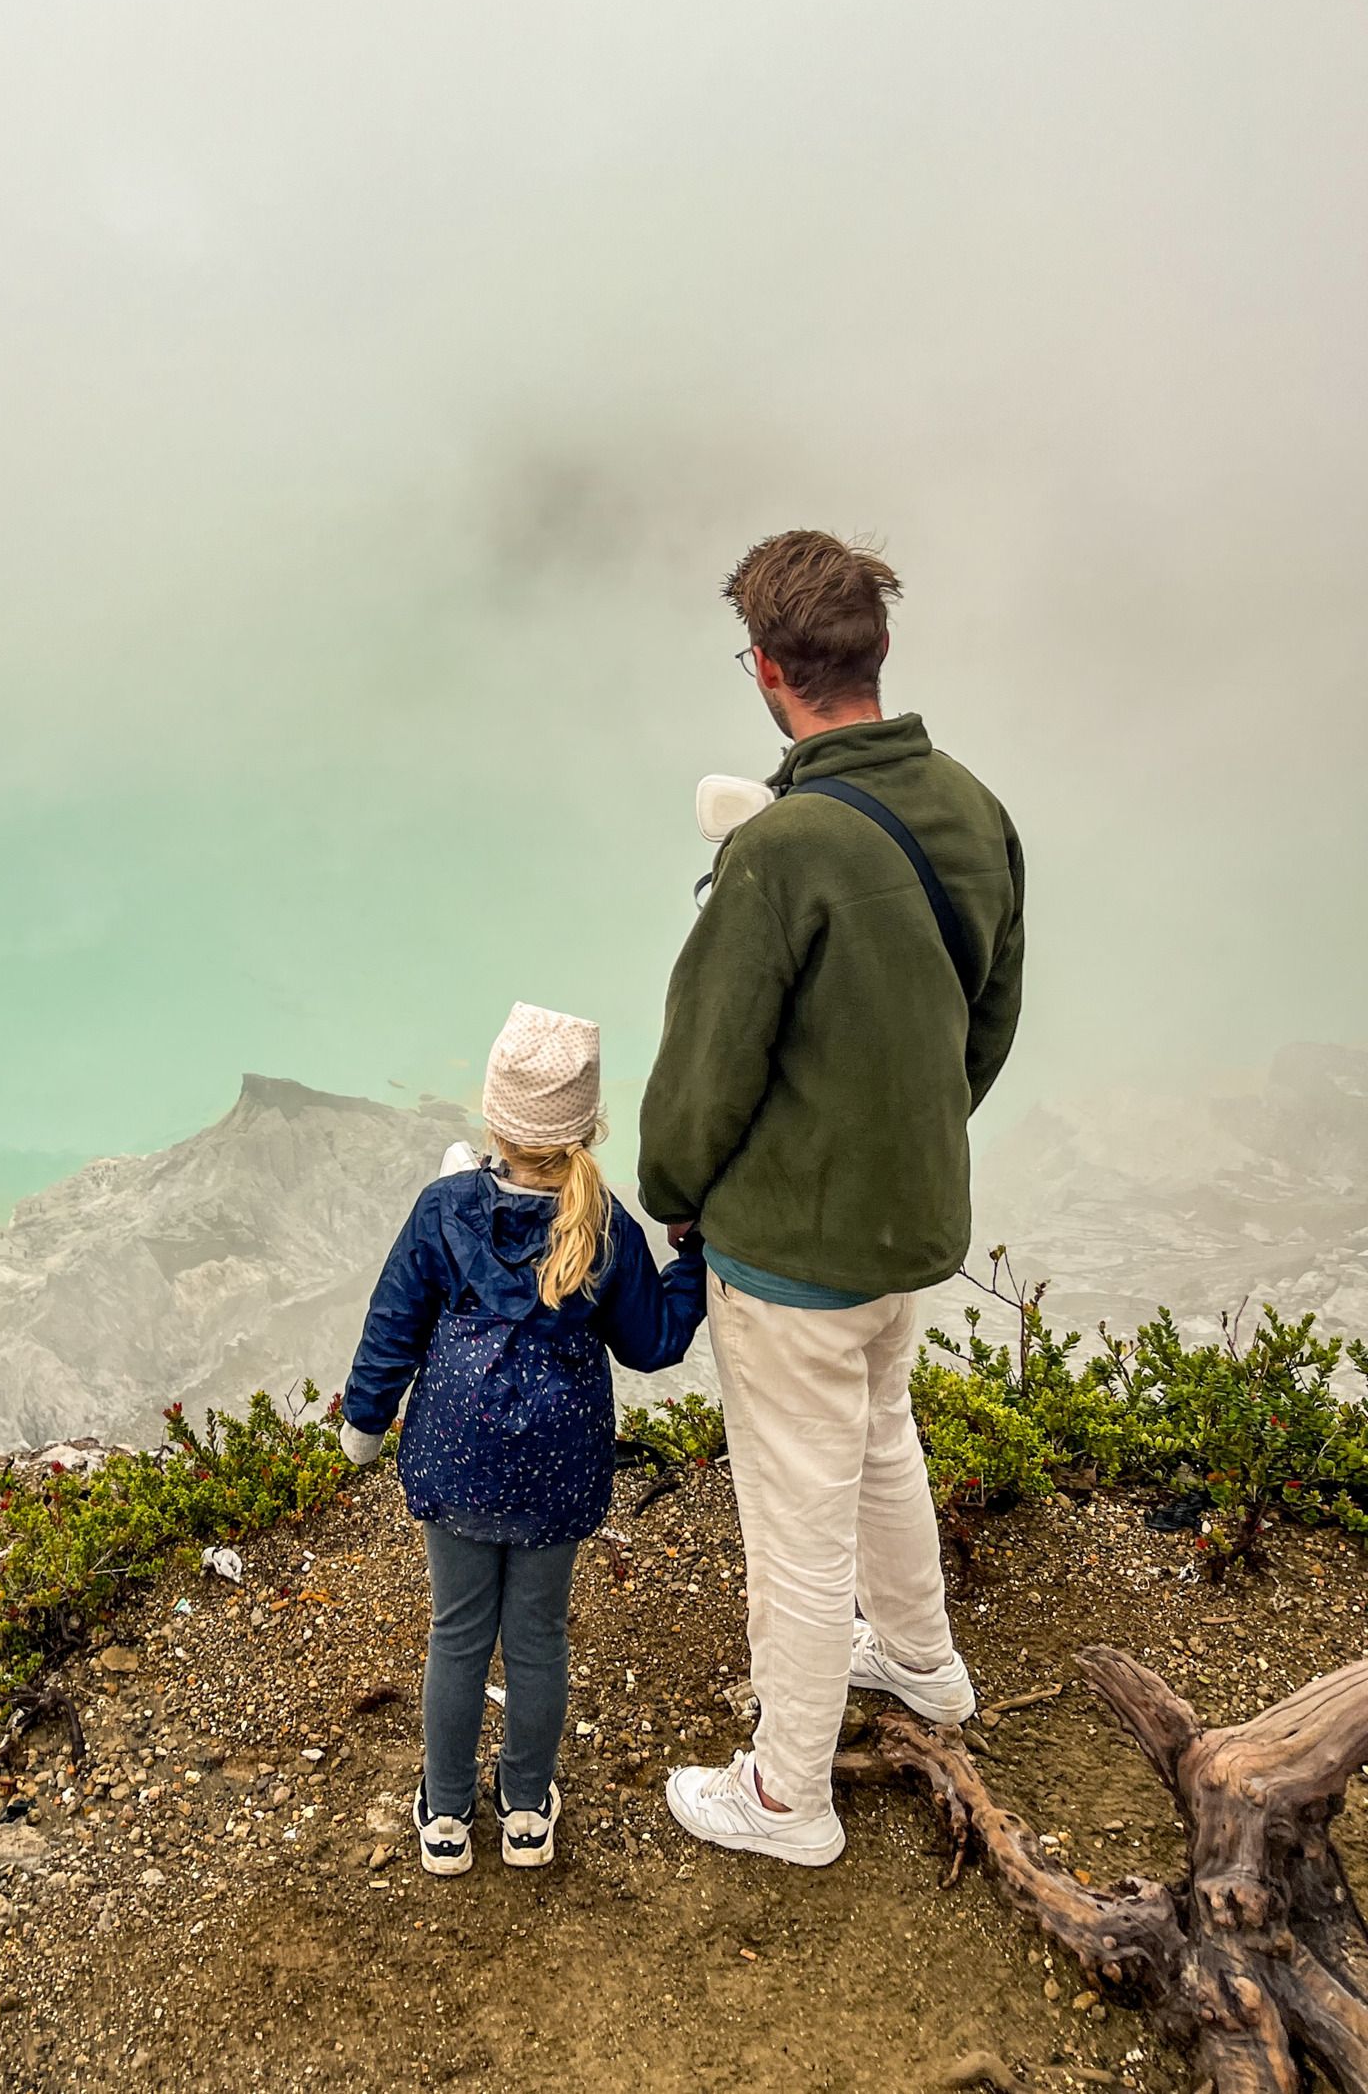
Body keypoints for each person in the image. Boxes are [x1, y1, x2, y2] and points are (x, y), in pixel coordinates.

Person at [640, 530, 1026, 1867]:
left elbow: (704, 1072)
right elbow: (987, 1023)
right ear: (872, 652)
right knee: (881, 1440)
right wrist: (903, 1142)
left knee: (796, 1519)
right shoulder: (974, 807)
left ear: (766, 670)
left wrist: (676, 1193)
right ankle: (922, 1659)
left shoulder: (784, 846)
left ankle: (787, 1793)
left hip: (795, 1249)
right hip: (907, 1220)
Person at [339, 1002, 706, 1877]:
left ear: (494, 1116)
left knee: (459, 1633)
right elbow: (653, 1342)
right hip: (559, 1463)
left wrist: (363, 1421)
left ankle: (444, 1819)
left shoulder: (446, 1206)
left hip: (456, 1456)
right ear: (586, 1127)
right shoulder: (603, 1222)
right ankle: (529, 1811)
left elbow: (394, 1322)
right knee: (538, 1636)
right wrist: (695, 1258)